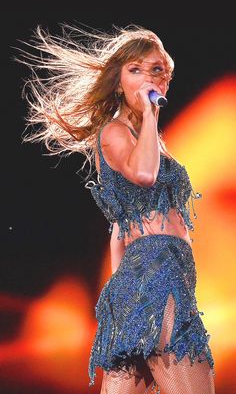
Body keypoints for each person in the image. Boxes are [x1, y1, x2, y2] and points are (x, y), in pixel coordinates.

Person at [16, 23, 215, 393]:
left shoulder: (148, 141)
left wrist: (120, 298)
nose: (147, 78)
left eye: (155, 69)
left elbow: (118, 229)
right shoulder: (115, 133)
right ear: (119, 80)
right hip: (159, 278)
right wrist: (151, 114)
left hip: (142, 282)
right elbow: (143, 175)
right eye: (135, 70)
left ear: (167, 79)